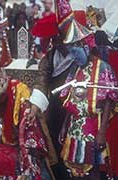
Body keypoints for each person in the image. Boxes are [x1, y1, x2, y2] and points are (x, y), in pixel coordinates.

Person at [0, 41, 57, 179]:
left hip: (16, 142)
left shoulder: (18, 91)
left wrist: (24, 152)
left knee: (28, 164)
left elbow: (29, 130)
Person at [58, 18, 118, 179]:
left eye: (74, 51)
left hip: (94, 128)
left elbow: (109, 102)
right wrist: (64, 126)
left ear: (86, 47)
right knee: (73, 171)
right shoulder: (75, 69)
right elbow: (69, 99)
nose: (72, 56)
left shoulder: (104, 68)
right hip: (74, 128)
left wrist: (102, 132)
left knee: (93, 171)